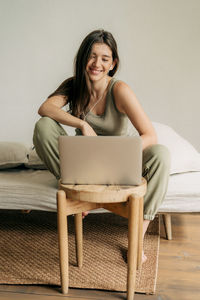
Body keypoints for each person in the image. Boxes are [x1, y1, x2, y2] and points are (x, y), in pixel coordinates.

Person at [33, 29, 170, 264]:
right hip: (83, 166)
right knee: (43, 126)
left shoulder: (120, 90)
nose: (97, 64)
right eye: (92, 56)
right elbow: (45, 109)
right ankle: (74, 188)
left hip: (118, 163)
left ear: (113, 64)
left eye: (105, 58)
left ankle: (136, 238)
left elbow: (149, 134)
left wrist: (120, 151)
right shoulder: (73, 86)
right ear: (83, 58)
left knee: (161, 155)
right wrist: (82, 125)